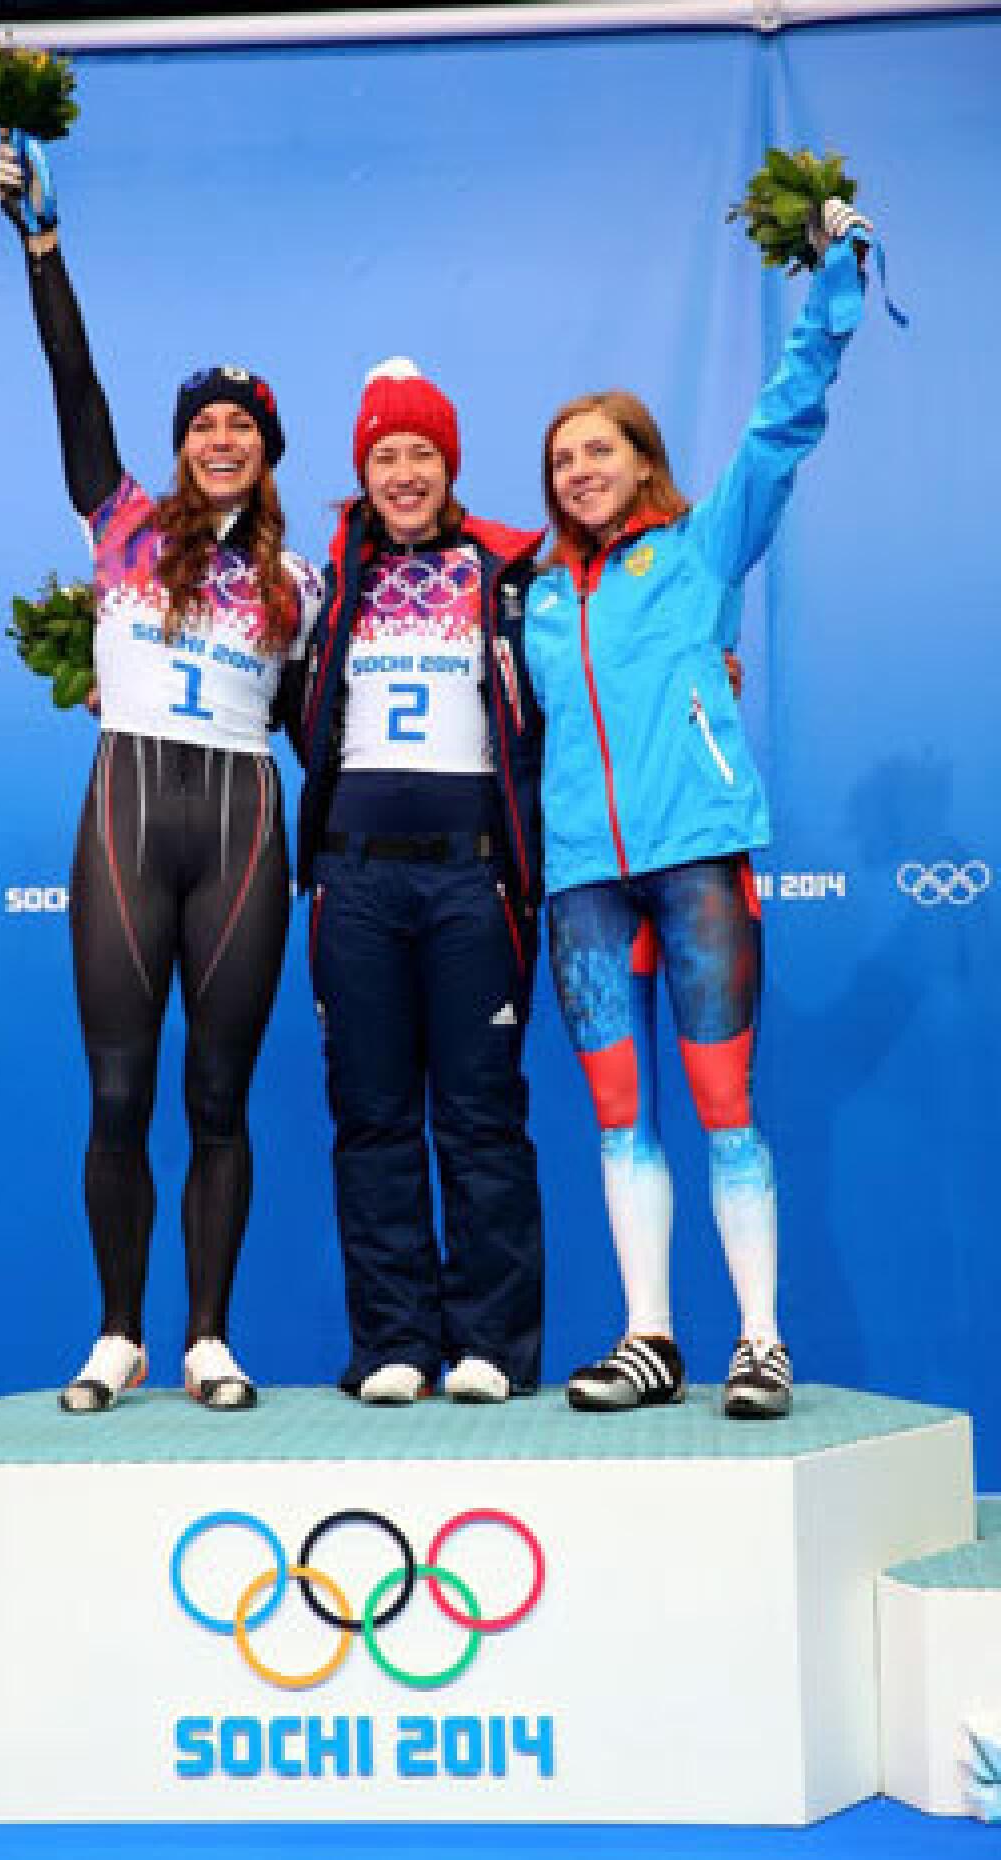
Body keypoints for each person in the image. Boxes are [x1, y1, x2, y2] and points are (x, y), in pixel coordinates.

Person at [524, 199, 872, 1419]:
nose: (579, 471)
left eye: (599, 451)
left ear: (643, 460)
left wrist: (832, 292)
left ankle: (761, 1342)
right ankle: (648, 1338)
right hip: (581, 876)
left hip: (698, 861)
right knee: (619, 1113)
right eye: (563, 459)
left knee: (724, 1104)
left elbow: (781, 431)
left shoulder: (701, 549)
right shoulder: (532, 595)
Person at [0, 137, 322, 1413]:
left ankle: (209, 1340)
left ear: (266, 447)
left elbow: (316, 724)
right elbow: (71, 375)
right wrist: (44, 250)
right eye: (203, 423)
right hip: (128, 814)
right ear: (181, 447)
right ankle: (117, 1334)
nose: (220, 437)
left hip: (242, 824)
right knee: (120, 1089)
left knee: (220, 1095)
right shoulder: (118, 517)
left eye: (241, 423)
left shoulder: (299, 581)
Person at [297, 361, 545, 1404]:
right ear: (363, 468)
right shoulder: (329, 576)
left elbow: (590, 655)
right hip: (353, 883)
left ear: (451, 465)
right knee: (372, 1114)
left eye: (422, 454)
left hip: (470, 882)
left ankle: (489, 1343)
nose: (404, 472)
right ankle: (394, 1343)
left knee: (481, 1115)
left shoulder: (508, 568)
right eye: (385, 455)